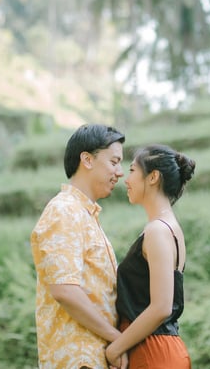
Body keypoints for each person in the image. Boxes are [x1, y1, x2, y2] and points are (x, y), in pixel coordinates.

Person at [30, 123, 129, 369]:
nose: (120, 172)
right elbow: (65, 290)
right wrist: (116, 338)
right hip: (77, 359)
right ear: (87, 159)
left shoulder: (84, 215)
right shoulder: (64, 211)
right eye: (114, 162)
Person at [105, 144, 196, 368]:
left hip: (152, 351)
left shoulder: (158, 230)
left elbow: (161, 307)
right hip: (159, 348)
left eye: (133, 171)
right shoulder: (167, 228)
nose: (126, 179)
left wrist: (115, 348)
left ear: (153, 176)